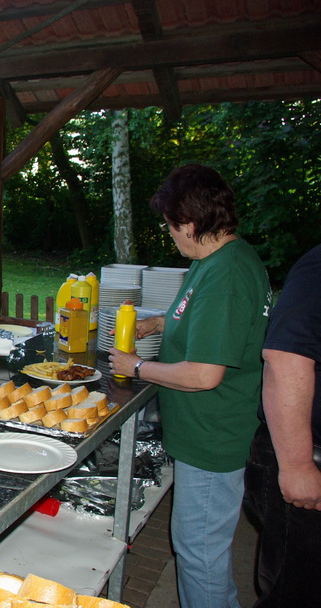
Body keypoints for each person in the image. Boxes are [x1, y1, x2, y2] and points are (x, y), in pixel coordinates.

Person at [109, 164, 271, 608]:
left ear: (191, 223)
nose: (170, 235)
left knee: (199, 553)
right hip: (205, 432)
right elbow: (209, 320)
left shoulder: (226, 275)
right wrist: (160, 323)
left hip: (213, 437)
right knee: (199, 548)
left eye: (171, 226)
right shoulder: (217, 259)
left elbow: (204, 374)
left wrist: (137, 367)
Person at [245, 243, 321, 606]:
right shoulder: (318, 267)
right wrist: (298, 466)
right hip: (309, 459)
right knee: (296, 592)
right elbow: (285, 356)